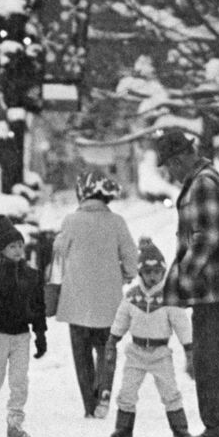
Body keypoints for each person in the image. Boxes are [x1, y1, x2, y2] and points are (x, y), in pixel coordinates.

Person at [153, 127, 219, 437]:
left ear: (180, 159)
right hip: (212, 285)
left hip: (212, 286)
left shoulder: (205, 184)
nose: (171, 174)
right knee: (207, 355)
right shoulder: (203, 181)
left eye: (170, 166)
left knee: (208, 357)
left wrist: (185, 277)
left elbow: (205, 239)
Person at [53, 170, 138, 418]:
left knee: (81, 354)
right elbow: (131, 258)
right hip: (108, 300)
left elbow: (59, 253)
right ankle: (104, 391)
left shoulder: (71, 221)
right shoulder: (117, 222)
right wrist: (125, 276)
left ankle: (88, 405)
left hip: (76, 299)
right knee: (106, 348)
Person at [102, 237, 194, 437]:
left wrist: (189, 348)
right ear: (141, 273)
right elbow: (121, 318)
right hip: (136, 351)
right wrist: (113, 339)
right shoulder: (132, 297)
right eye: (148, 272)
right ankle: (123, 428)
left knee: (170, 391)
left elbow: (181, 323)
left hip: (160, 353)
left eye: (157, 272)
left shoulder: (170, 296)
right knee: (127, 391)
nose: (153, 277)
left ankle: (180, 429)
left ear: (163, 272)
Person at [0, 216, 46, 437]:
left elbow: (38, 307)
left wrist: (40, 335)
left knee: (19, 380)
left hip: (22, 335)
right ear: (1, 249)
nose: (18, 250)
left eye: (20, 246)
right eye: (12, 246)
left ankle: (15, 420)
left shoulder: (32, 277)